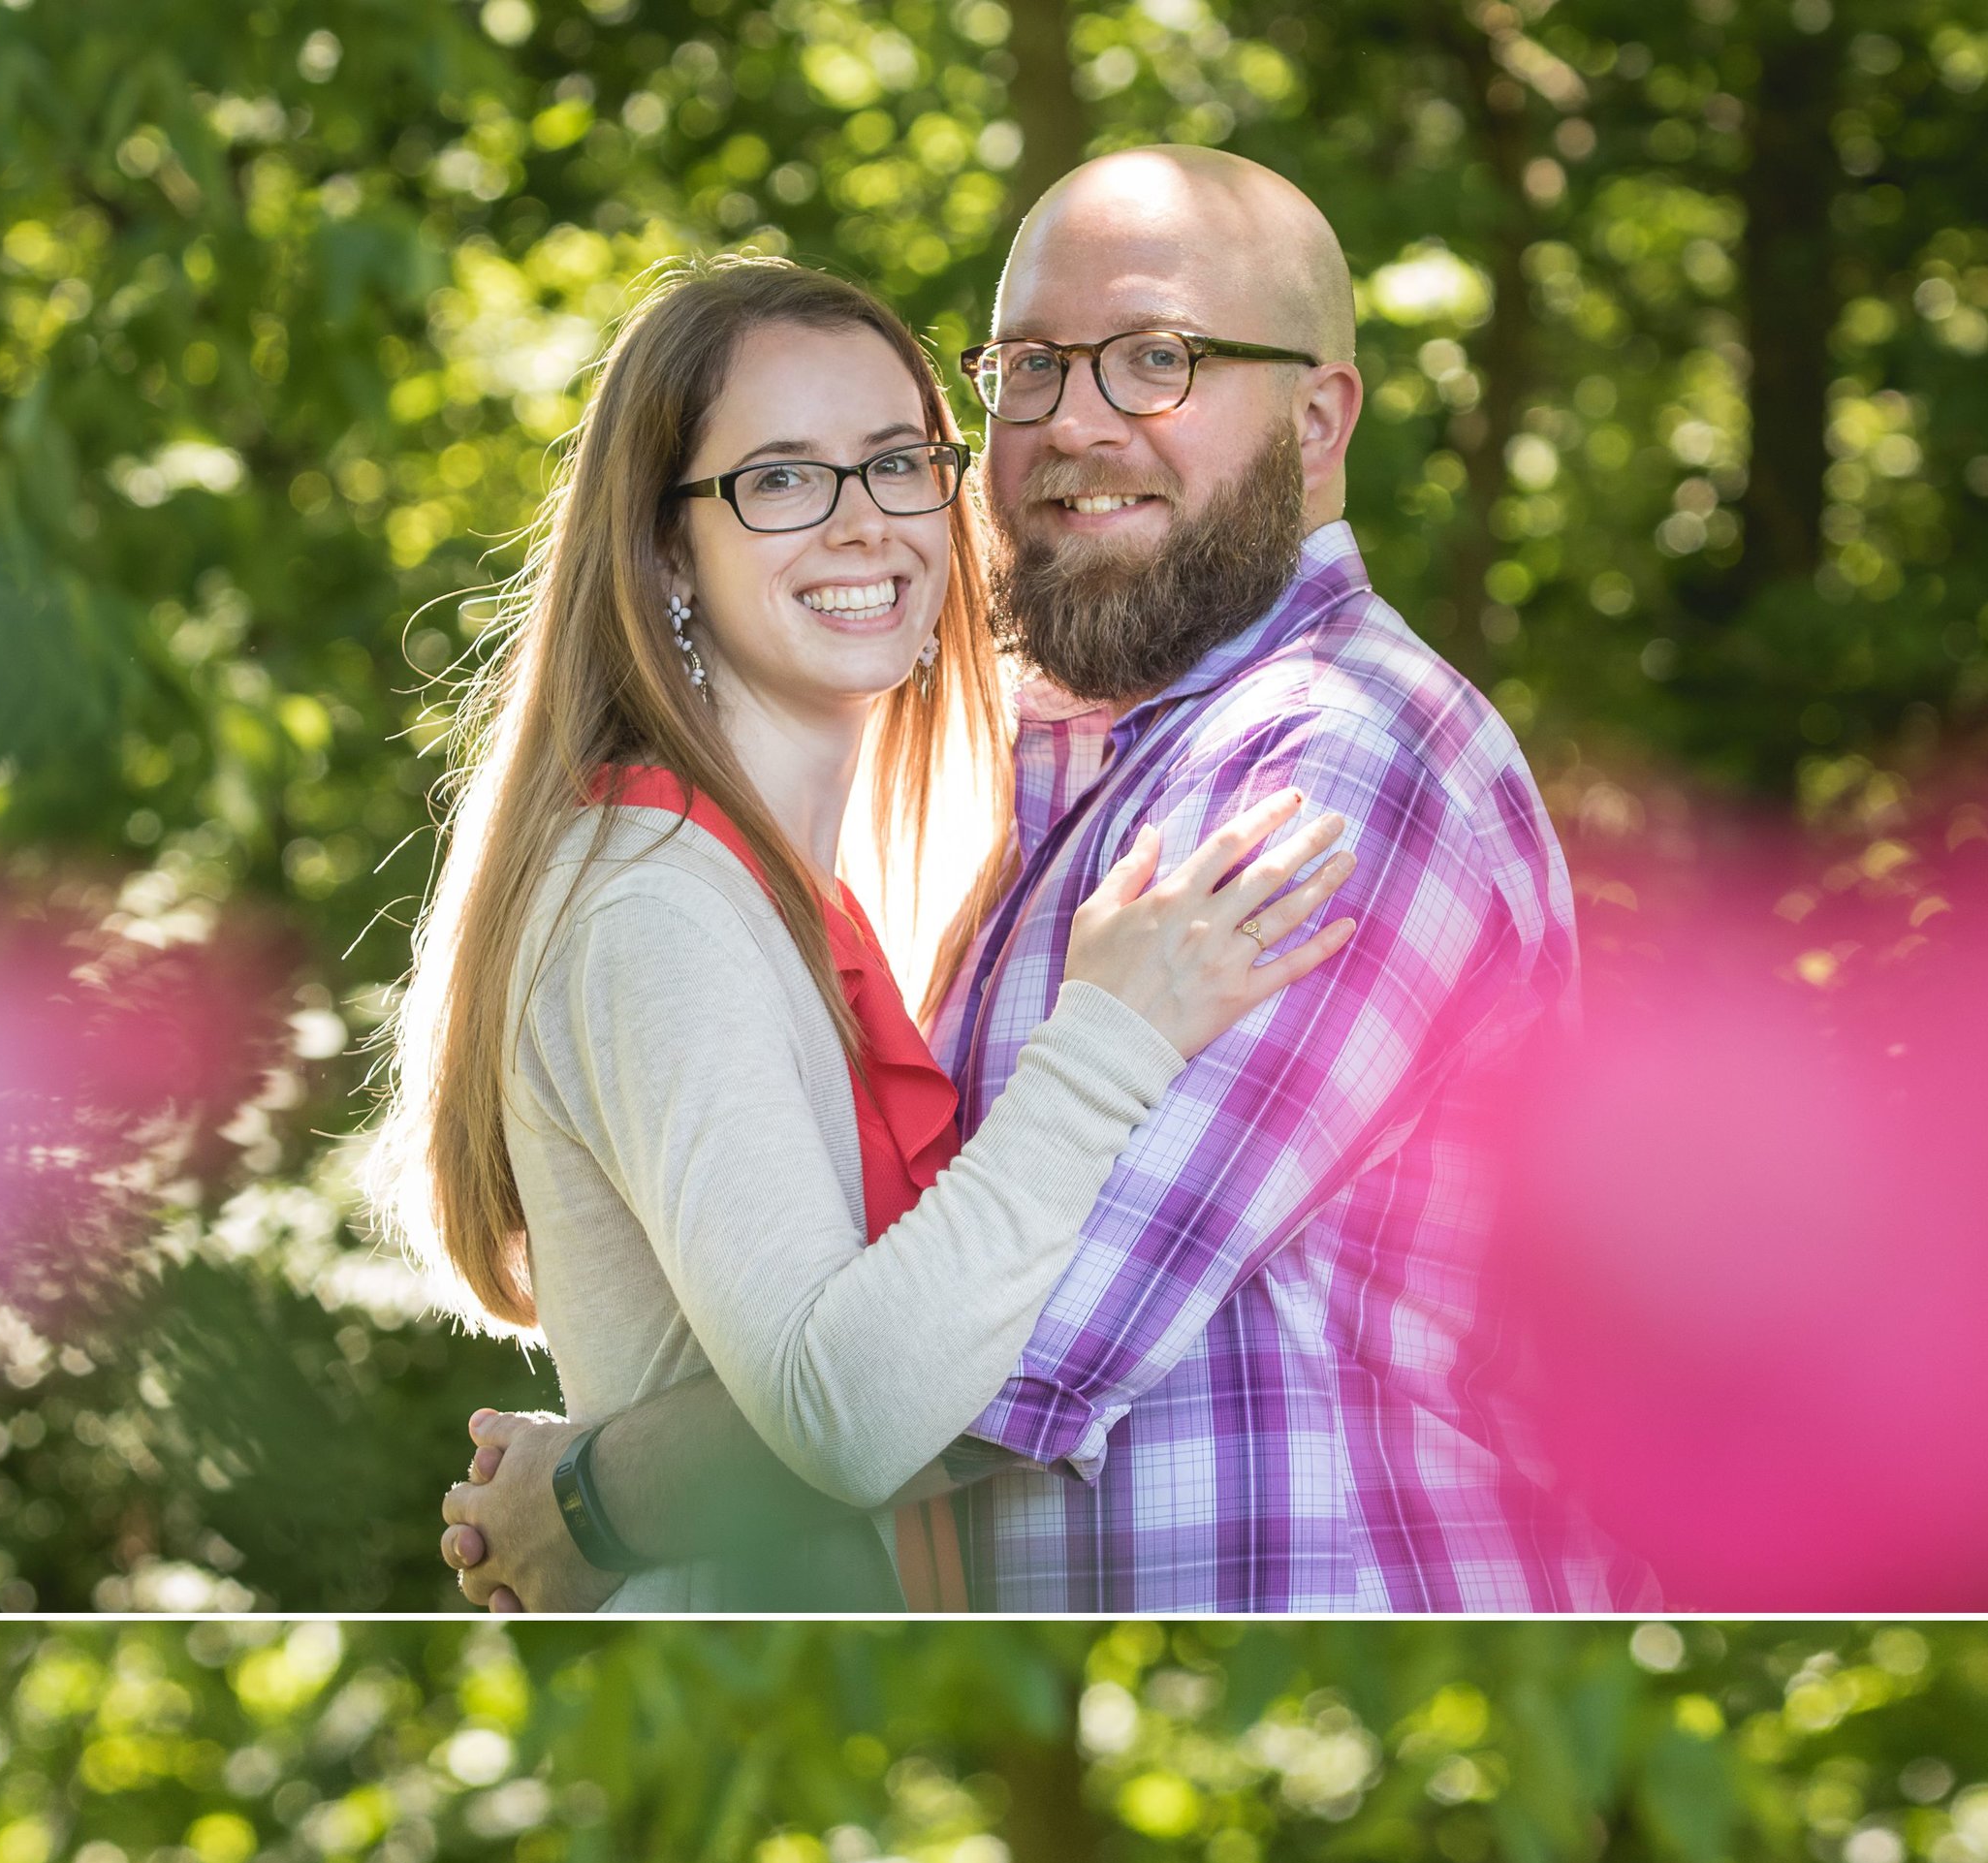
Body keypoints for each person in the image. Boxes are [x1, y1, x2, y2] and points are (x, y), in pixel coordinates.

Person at [449, 147, 1586, 1623]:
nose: (1074, 423)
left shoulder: (1335, 760)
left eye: (1156, 360)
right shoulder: (1017, 777)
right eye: (1031, 369)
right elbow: (888, 1297)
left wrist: (595, 1500)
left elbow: (1002, 1352)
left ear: (1317, 419)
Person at [390, 249, 1350, 1614]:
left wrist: (591, 1495)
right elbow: (842, 1413)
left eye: (899, 462)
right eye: (779, 479)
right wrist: (1106, 1047)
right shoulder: (653, 899)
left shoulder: (778, 894)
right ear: (668, 543)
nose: (861, 524)